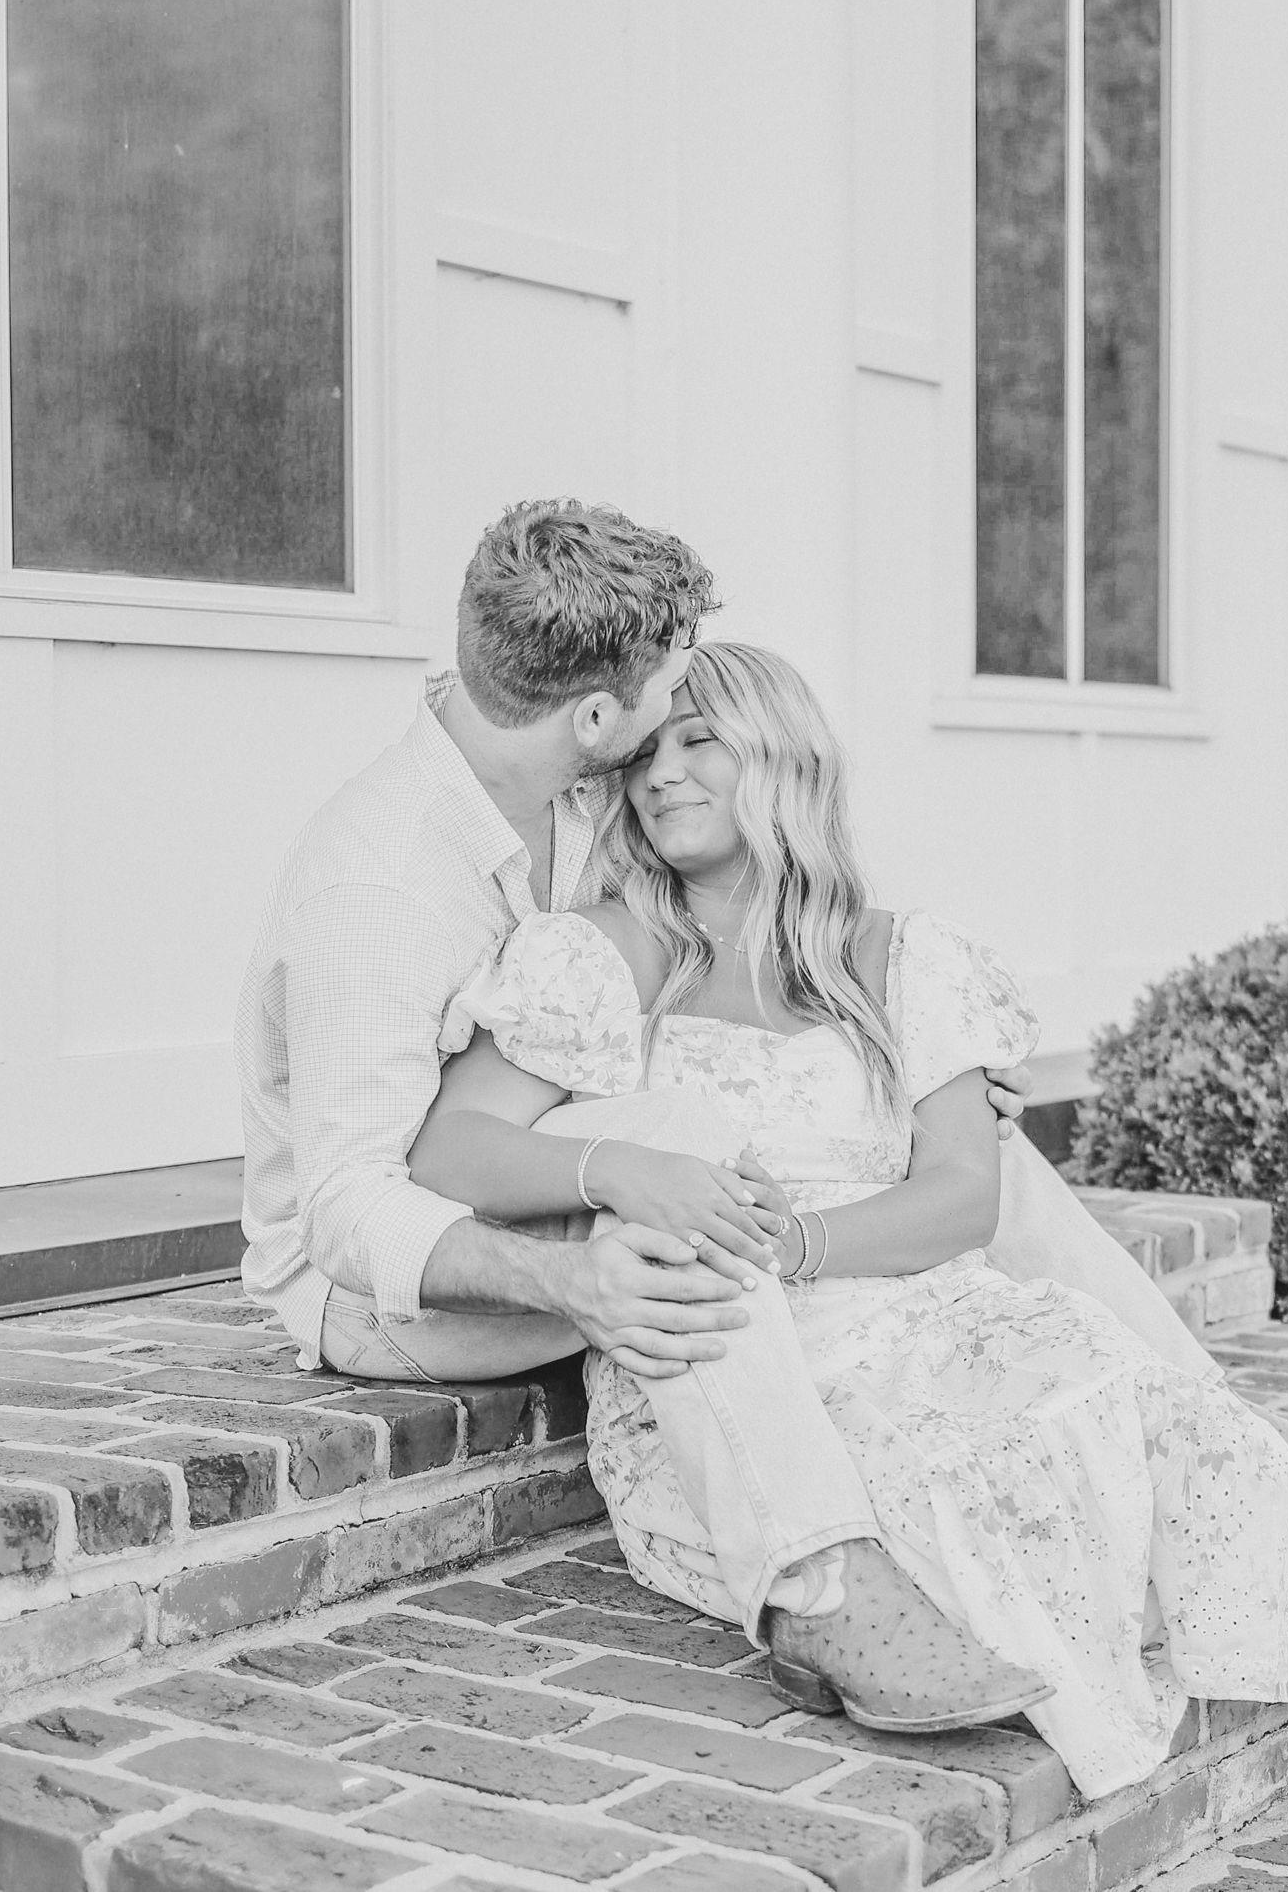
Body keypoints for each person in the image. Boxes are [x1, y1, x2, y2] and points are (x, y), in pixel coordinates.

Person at [412, 641, 1288, 1874]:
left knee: (1153, 1415)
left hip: (925, 1311)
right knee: (1010, 1496)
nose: (660, 774)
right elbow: (452, 1148)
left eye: (698, 742)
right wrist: (617, 1167)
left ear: (782, 759)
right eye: (642, 755)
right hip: (743, 1379)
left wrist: (796, 1239)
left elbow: (958, 1195)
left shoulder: (899, 958)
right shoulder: (600, 954)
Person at [238, 498, 1045, 1731]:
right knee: (680, 1140)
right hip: (395, 1290)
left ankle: (1173, 1399)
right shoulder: (379, 888)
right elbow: (349, 1213)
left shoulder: (568, 787)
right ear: (595, 715)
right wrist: (578, 1271)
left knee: (956, 1123)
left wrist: (910, 1065)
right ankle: (816, 1583)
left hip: (544, 1178)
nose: (675, 721)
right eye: (667, 691)